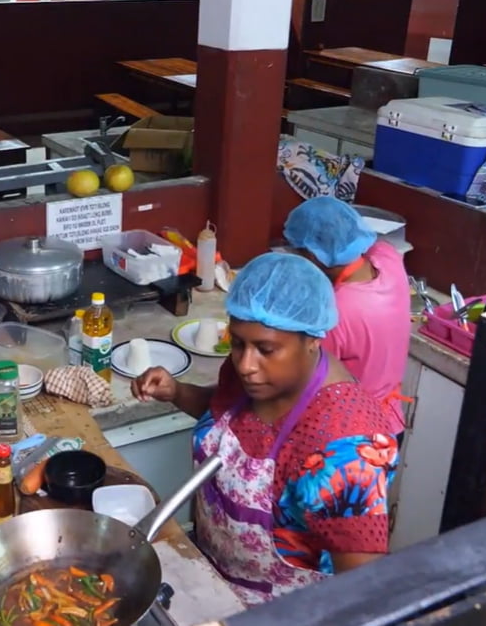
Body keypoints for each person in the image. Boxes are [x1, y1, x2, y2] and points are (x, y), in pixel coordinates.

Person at [133, 253, 398, 606]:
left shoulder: (345, 454)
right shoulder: (257, 377)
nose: (245, 365)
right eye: (238, 342)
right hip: (209, 579)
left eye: (266, 349)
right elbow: (227, 420)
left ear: (313, 339)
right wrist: (178, 393)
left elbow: (364, 594)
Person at [283, 196, 411, 437]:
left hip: (352, 436)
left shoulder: (334, 314)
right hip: (392, 426)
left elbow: (309, 385)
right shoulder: (388, 258)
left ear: (311, 257)